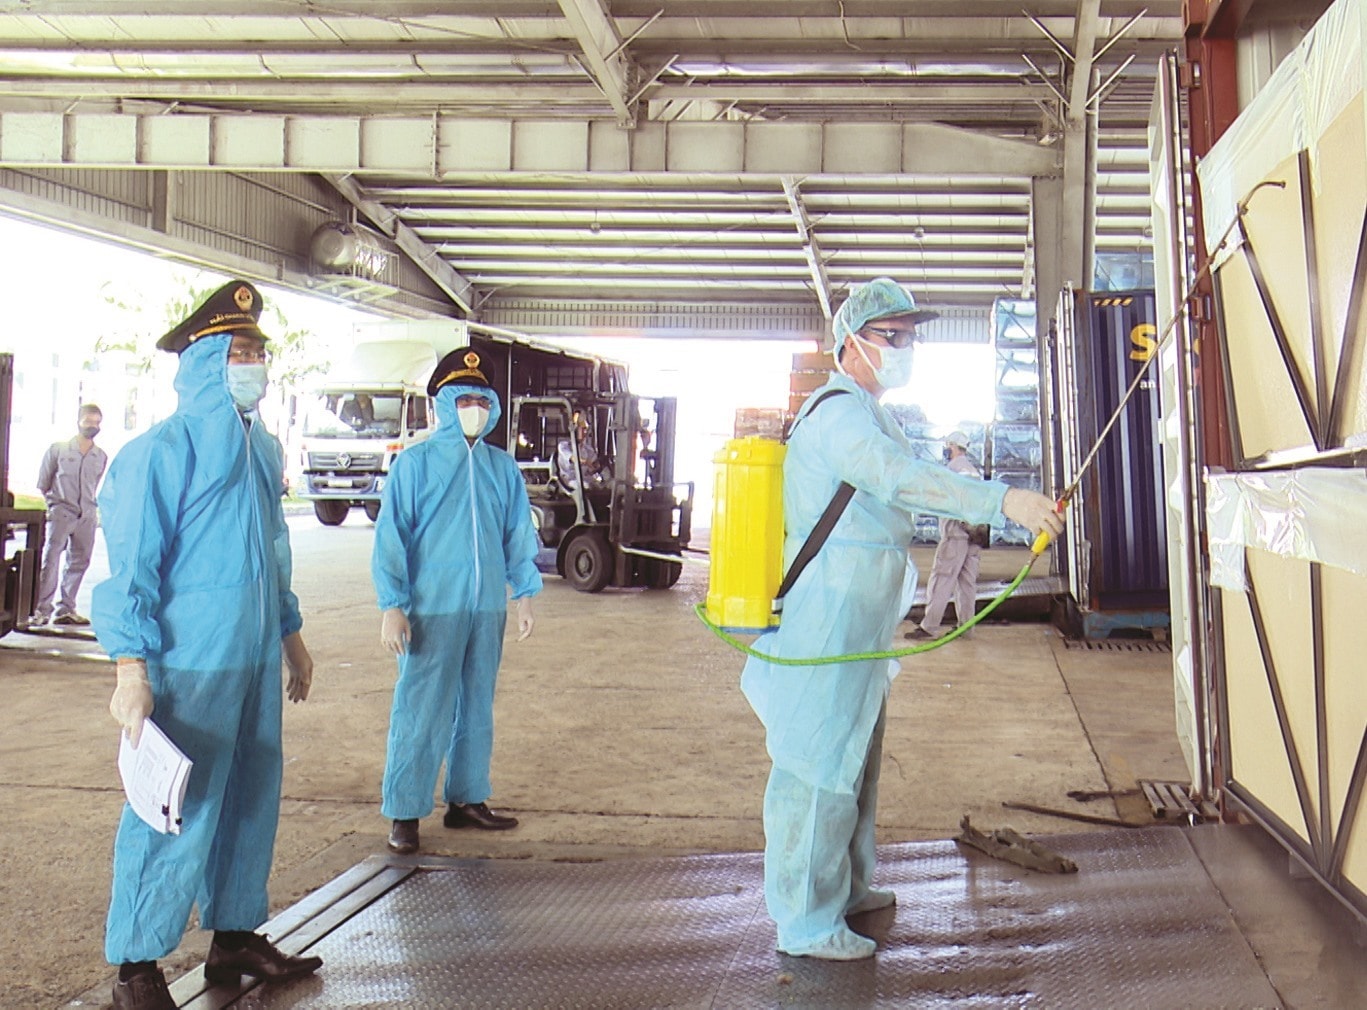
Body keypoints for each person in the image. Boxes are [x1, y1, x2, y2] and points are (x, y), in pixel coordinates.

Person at [739, 277, 1064, 961]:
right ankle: (803, 918)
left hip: (858, 612)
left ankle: (849, 888)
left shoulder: (868, 409)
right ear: (852, 341)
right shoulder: (837, 414)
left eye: (910, 336)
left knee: (856, 756)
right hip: (826, 613)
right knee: (819, 765)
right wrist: (1001, 500)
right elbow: (899, 478)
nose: (906, 348)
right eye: (893, 336)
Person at [94, 280, 322, 1010]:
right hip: (187, 661)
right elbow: (131, 567)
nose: (253, 363)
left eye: (258, 352)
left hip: (253, 658)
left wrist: (289, 634)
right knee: (172, 809)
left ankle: (232, 937)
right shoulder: (158, 452)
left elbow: (274, 549)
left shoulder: (261, 449)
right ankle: (137, 962)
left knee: (250, 798)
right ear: (203, 361)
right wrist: (131, 666)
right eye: (238, 351)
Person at [374, 346, 541, 855]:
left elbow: (517, 532)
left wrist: (525, 593)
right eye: (463, 398)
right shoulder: (416, 464)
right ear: (444, 404)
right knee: (422, 707)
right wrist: (392, 604)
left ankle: (467, 798)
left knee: (476, 707)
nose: (475, 408)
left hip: (485, 606)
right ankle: (405, 810)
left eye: (482, 399)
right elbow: (391, 537)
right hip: (433, 607)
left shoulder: (500, 467)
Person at [906, 430, 986, 640]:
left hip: (955, 535)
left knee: (942, 579)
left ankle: (929, 627)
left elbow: (943, 501)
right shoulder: (974, 471)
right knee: (967, 584)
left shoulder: (952, 470)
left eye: (948, 445)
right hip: (975, 536)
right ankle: (966, 628)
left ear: (953, 446)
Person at [33, 403, 108, 626]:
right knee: (52, 559)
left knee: (79, 561)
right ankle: (42, 609)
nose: (92, 426)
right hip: (61, 513)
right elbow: (43, 483)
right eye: (88, 421)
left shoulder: (100, 456)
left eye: (96, 422)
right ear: (78, 421)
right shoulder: (59, 450)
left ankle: (66, 608)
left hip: (87, 515)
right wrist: (55, 506)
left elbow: (95, 484)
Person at [555, 413, 607, 490]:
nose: (585, 432)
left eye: (586, 429)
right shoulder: (564, 446)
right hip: (569, 480)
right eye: (582, 429)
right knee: (587, 486)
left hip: (583, 478)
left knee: (604, 486)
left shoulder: (588, 450)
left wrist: (598, 465)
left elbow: (592, 468)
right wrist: (586, 462)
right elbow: (574, 459)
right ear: (575, 430)